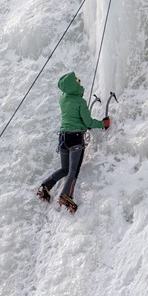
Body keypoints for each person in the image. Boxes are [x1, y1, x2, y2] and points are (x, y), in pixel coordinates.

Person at [37, 72, 110, 213]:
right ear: (73, 85)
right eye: (77, 81)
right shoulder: (80, 102)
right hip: (75, 139)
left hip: (62, 138)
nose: (79, 82)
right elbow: (88, 122)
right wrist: (103, 123)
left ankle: (45, 186)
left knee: (64, 169)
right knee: (73, 171)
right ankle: (66, 196)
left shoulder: (62, 99)